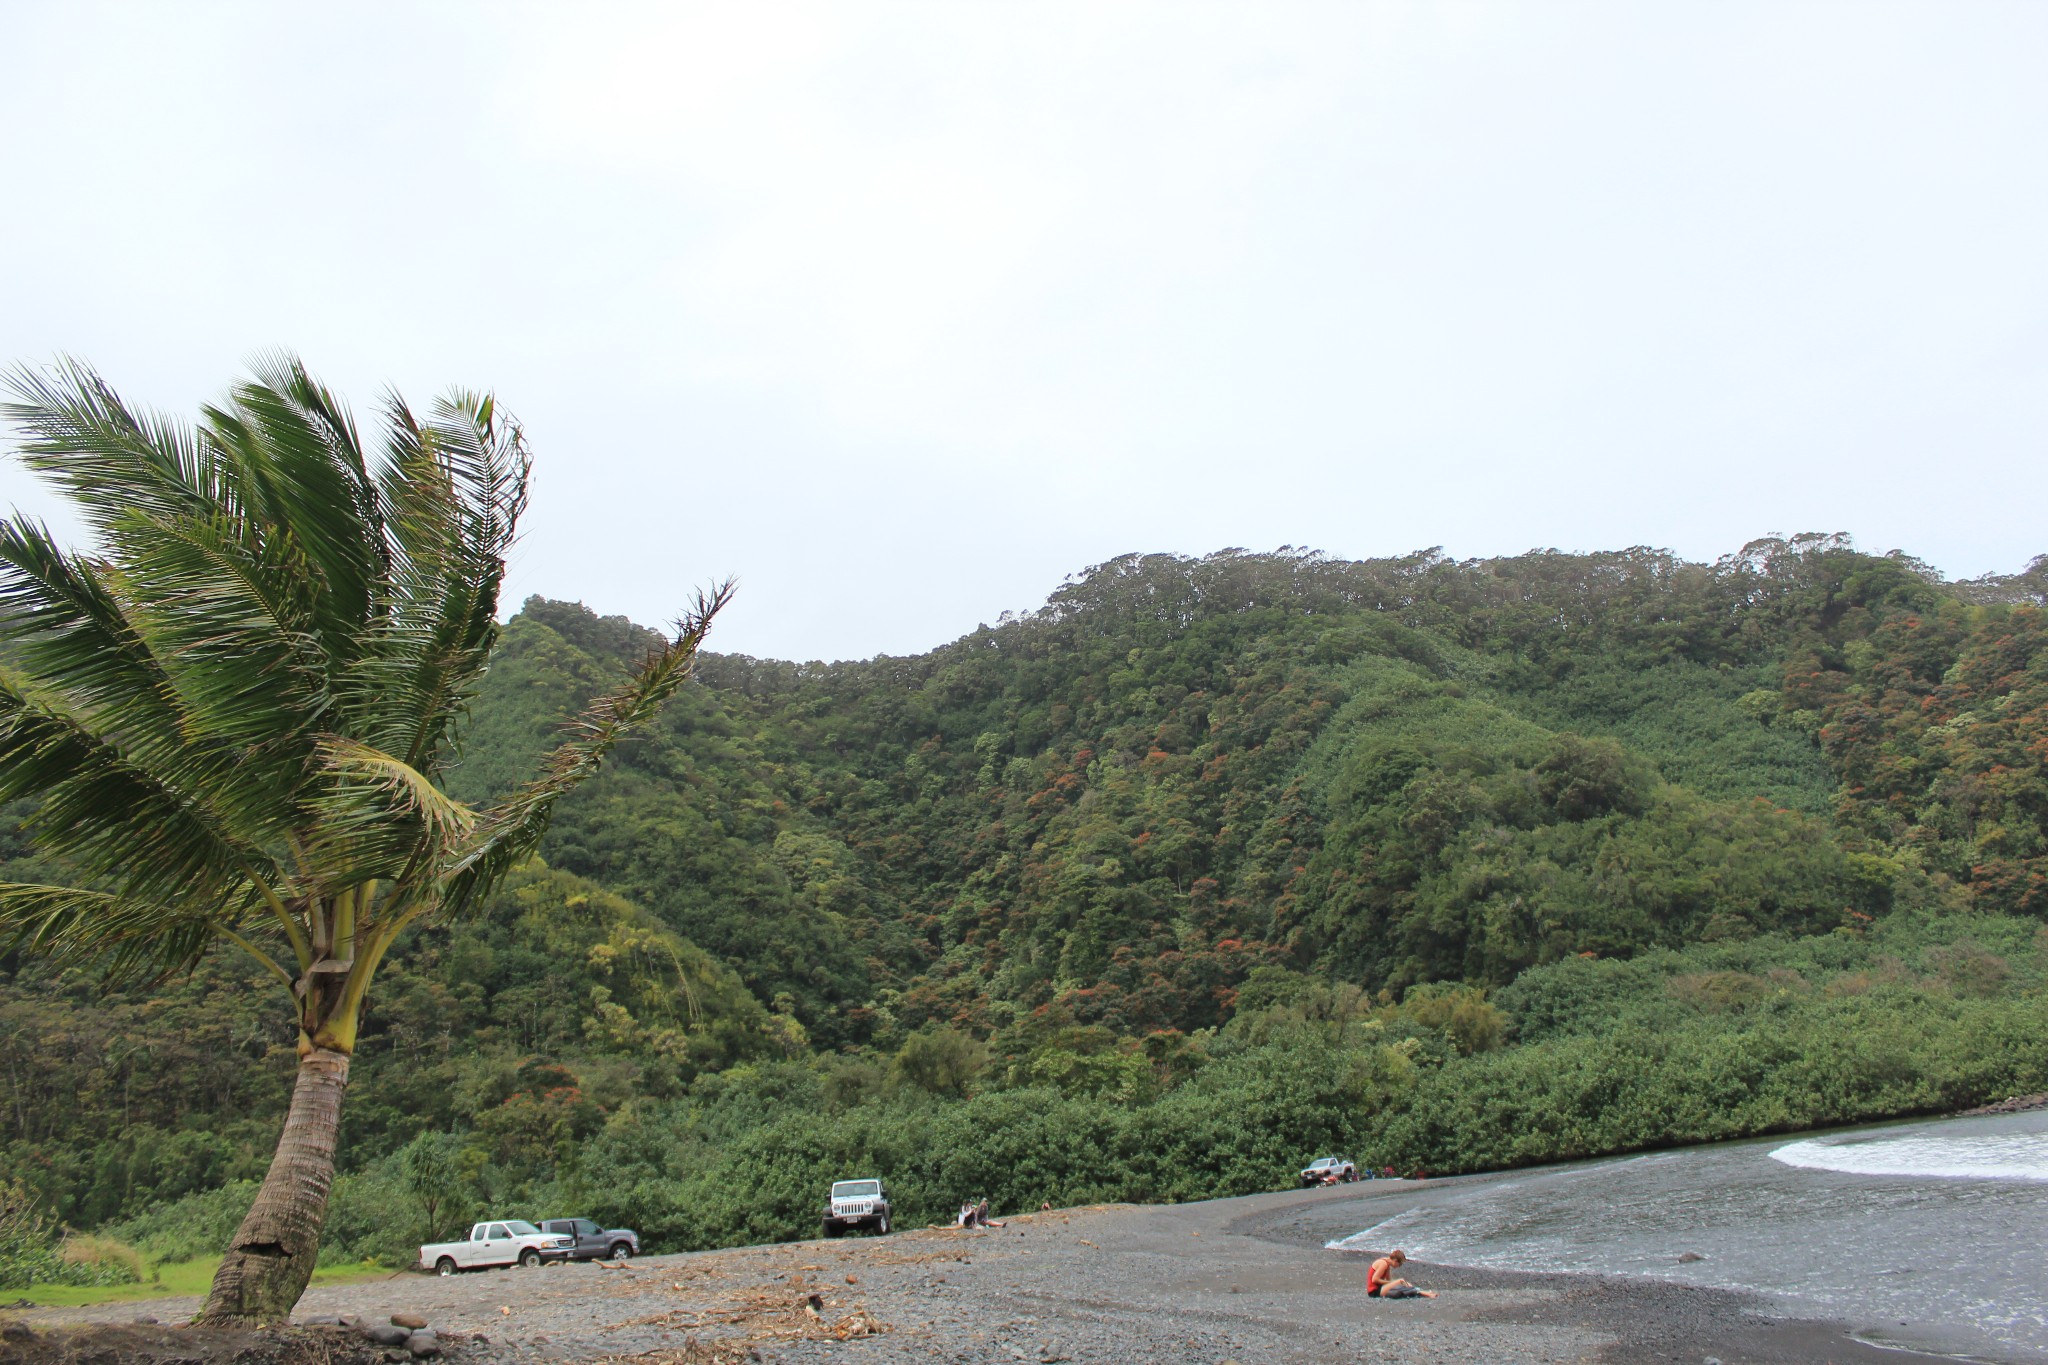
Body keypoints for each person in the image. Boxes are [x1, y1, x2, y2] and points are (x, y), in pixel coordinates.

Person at [1366, 1249, 1435, 1299]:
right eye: (1400, 1264)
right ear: (1395, 1261)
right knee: (1400, 1281)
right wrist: (1393, 1283)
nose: (1399, 1266)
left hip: (1380, 1288)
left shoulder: (1387, 1263)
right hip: (1374, 1291)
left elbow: (1388, 1279)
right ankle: (1425, 1293)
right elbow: (1374, 1280)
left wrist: (1392, 1283)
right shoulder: (1383, 1264)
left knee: (1401, 1286)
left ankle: (1422, 1292)